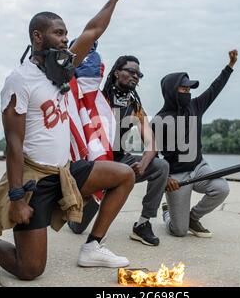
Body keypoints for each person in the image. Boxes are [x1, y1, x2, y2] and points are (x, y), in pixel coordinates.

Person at [0, 0, 135, 281]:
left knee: (124, 175)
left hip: (64, 171)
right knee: (30, 270)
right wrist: (16, 198)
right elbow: (13, 143)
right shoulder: (19, 80)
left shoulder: (60, 70)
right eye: (59, 33)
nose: (66, 39)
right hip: (34, 180)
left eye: (66, 34)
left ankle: (92, 246)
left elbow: (92, 30)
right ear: (38, 37)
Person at [68, 56, 169, 246]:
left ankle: (143, 223)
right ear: (116, 73)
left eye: (138, 74)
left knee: (161, 166)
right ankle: (76, 209)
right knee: (77, 228)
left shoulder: (134, 106)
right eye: (131, 71)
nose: (135, 76)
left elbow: (151, 143)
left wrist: (144, 163)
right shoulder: (97, 98)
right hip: (96, 164)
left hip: (122, 161)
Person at [153, 49, 238, 238]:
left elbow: (215, 88)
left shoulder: (196, 106)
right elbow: (152, 156)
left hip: (199, 167)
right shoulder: (159, 120)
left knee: (221, 188)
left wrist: (230, 66)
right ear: (171, 91)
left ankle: (194, 217)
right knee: (179, 231)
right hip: (177, 176)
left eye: (189, 89)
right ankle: (168, 213)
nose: (187, 92)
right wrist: (166, 180)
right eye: (183, 89)